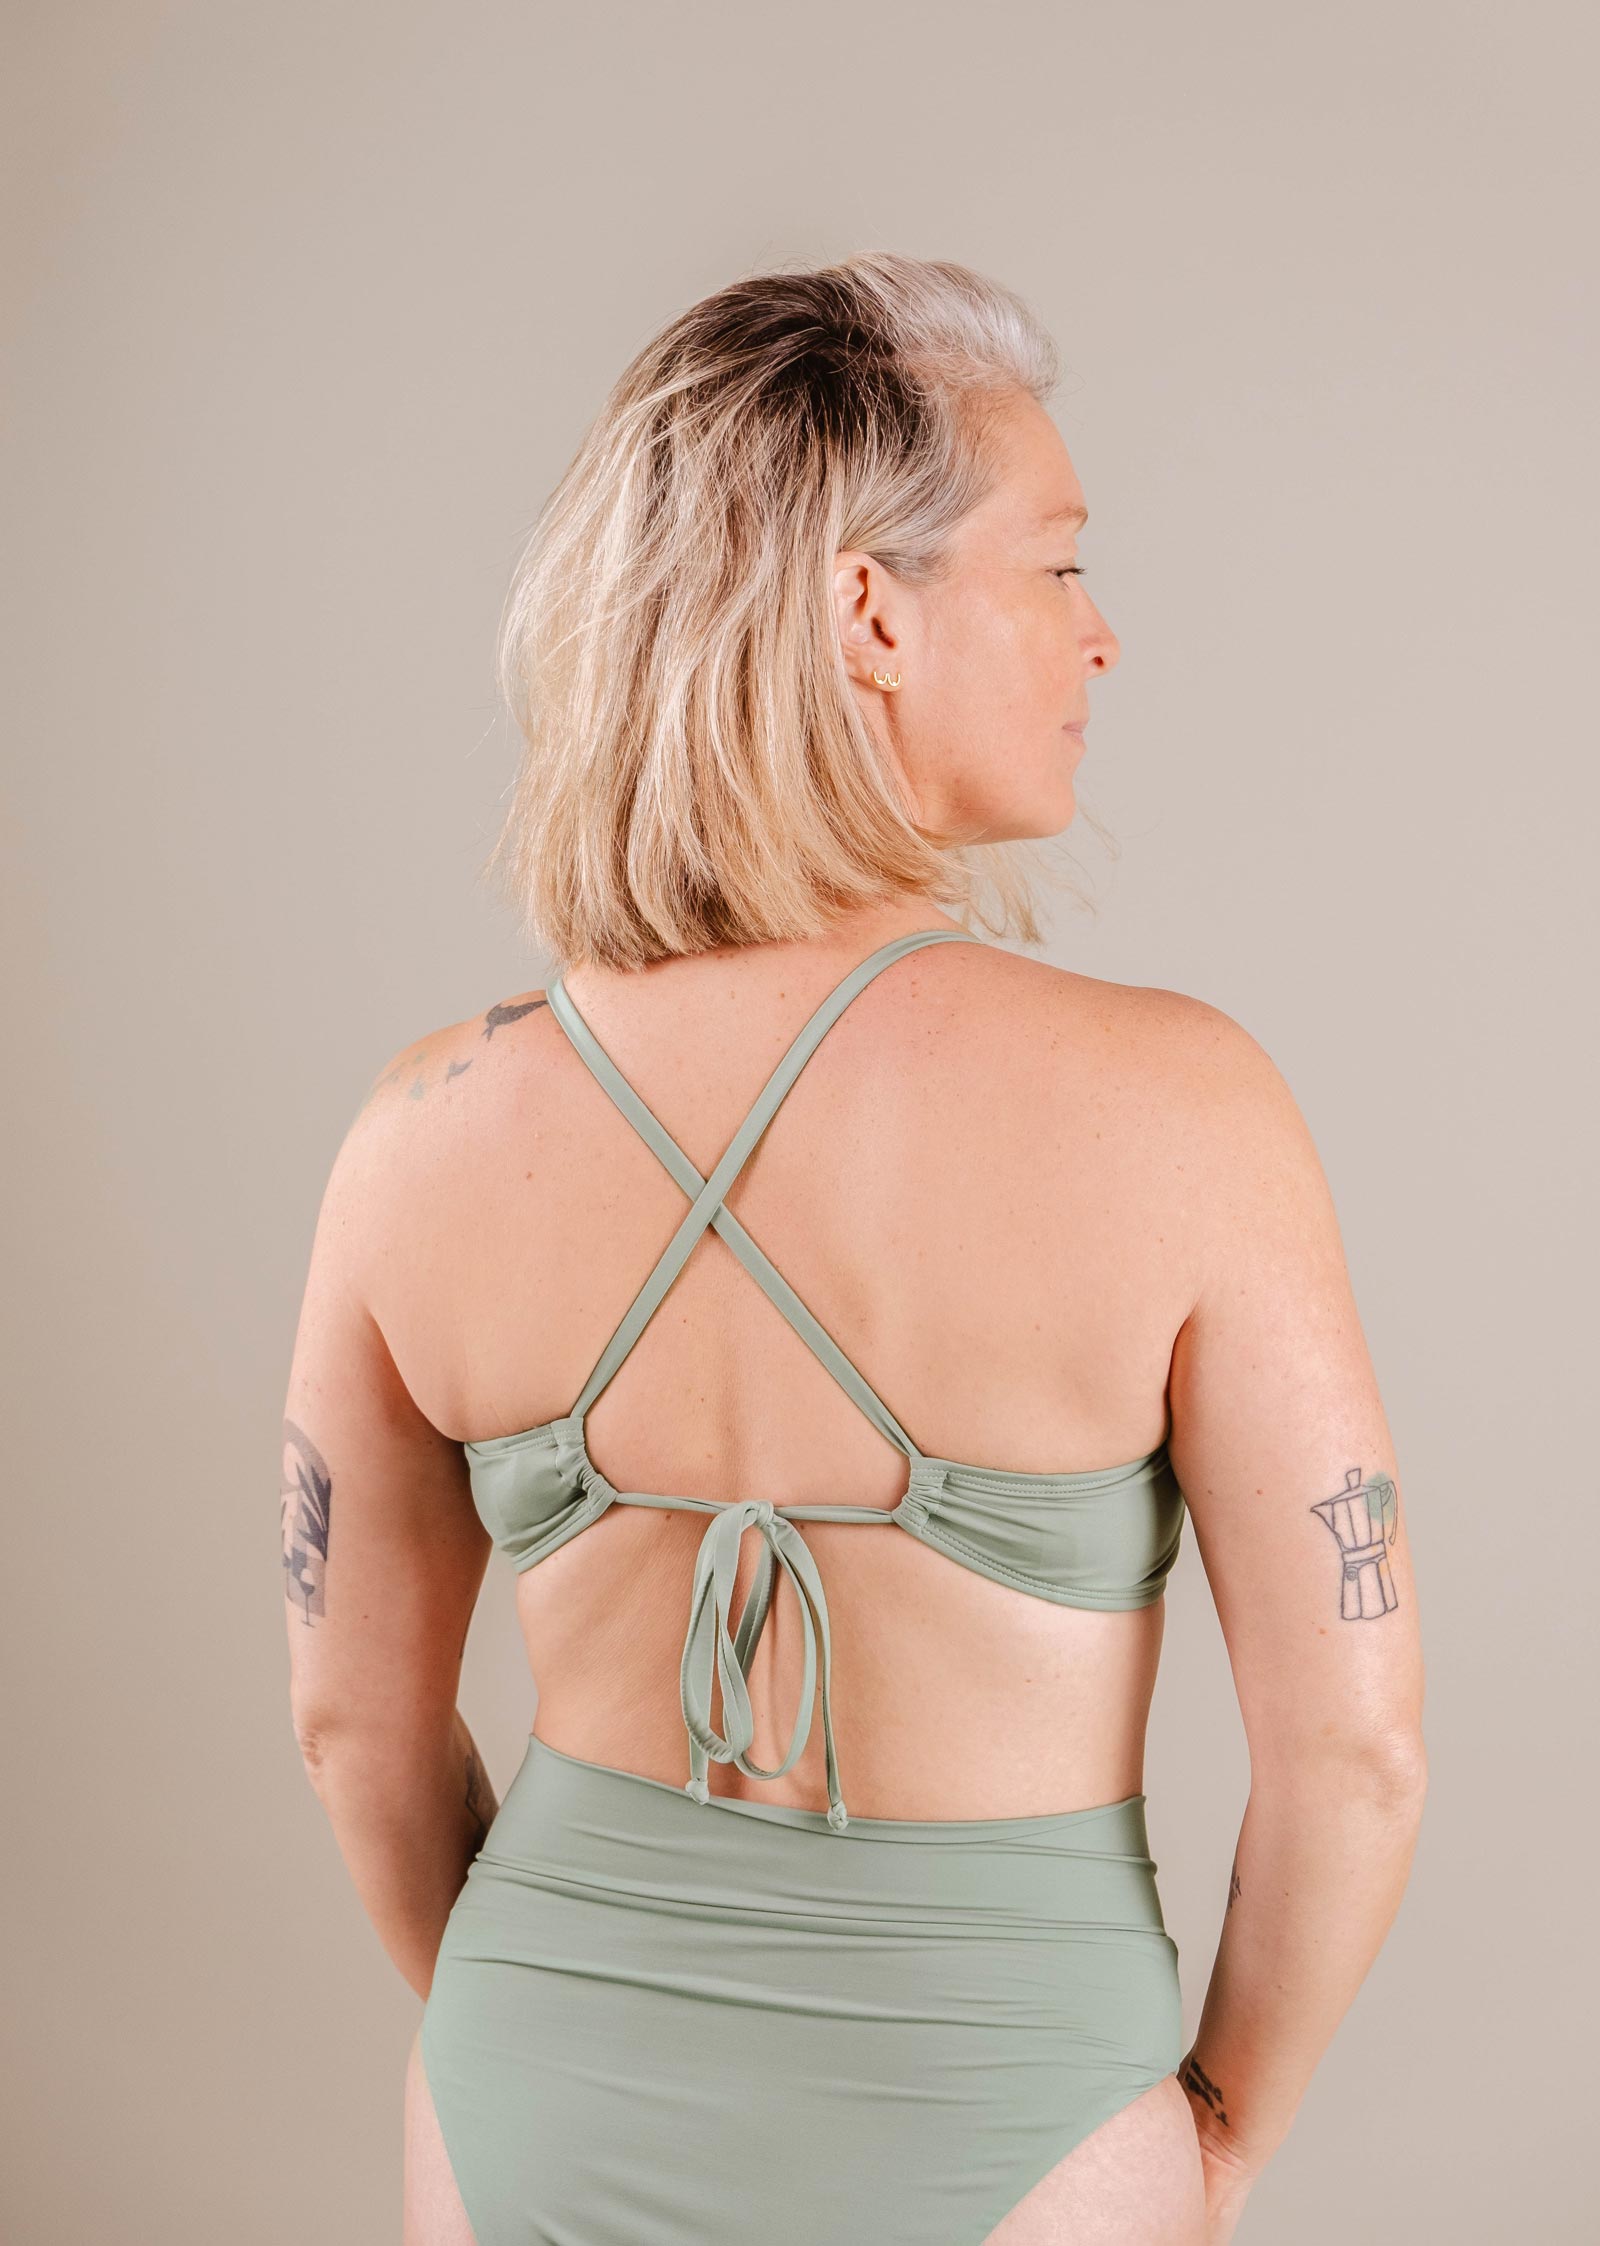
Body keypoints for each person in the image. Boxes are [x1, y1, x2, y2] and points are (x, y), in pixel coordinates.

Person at [282, 252, 1427, 2246]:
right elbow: (1352, 1752)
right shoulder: (1177, 1109)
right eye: (1056, 565)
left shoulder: (421, 1132)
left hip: (535, 2088)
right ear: (866, 613)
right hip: (1014, 2101)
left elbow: (352, 1726)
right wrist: (1207, 2131)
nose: (1103, 638)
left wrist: (546, 2017)